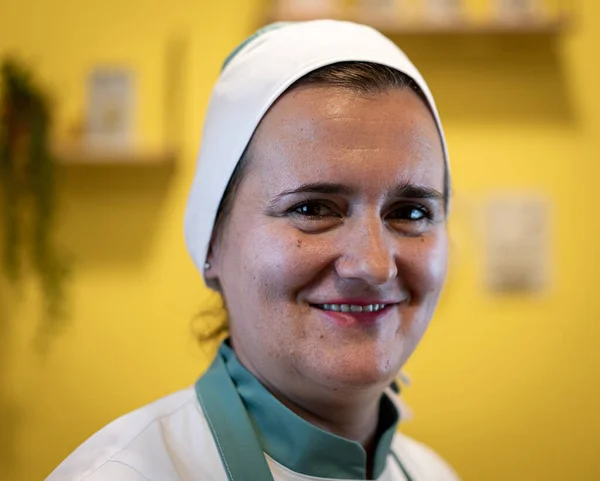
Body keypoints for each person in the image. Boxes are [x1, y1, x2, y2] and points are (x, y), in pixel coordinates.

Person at [47, 19, 458, 481]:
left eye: (412, 212)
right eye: (313, 207)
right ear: (212, 243)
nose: (374, 264)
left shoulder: (431, 473)